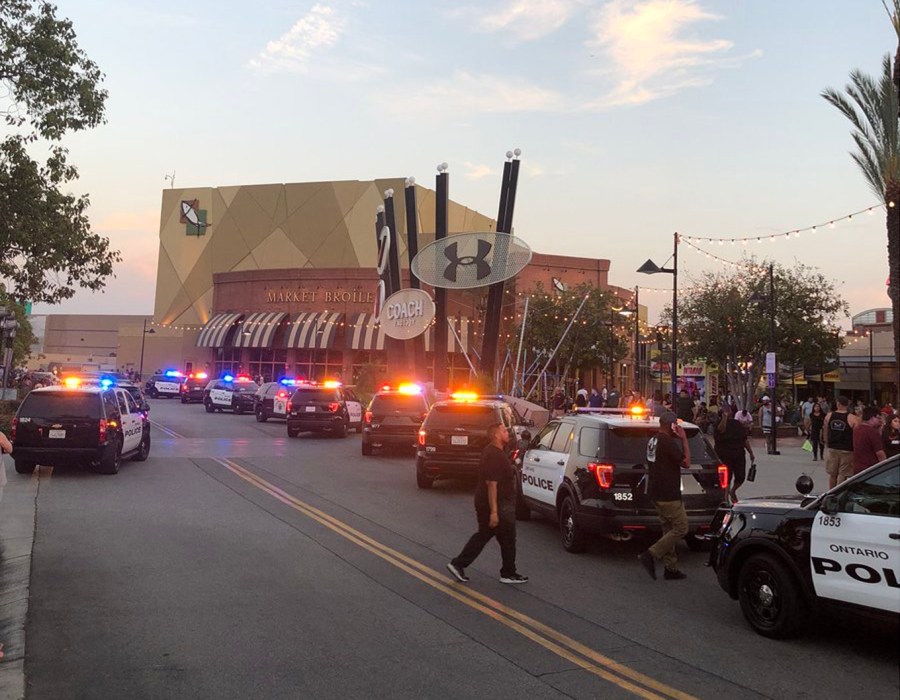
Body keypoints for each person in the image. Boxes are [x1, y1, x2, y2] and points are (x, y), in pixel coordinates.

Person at [447, 423, 528, 585]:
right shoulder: (494, 455)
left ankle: (506, 571)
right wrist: (494, 512)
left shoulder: (495, 452)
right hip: (495, 505)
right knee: (504, 537)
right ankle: (507, 573)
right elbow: (492, 484)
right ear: (496, 435)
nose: (507, 433)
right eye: (504, 431)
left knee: (491, 536)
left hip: (496, 504)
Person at [637, 411, 690, 581]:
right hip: (669, 493)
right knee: (681, 528)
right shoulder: (667, 441)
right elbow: (686, 462)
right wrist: (683, 439)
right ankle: (651, 554)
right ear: (671, 425)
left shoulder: (653, 440)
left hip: (656, 491)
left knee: (668, 529)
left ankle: (671, 568)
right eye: (676, 425)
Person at [715, 404, 755, 504]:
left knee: (741, 476)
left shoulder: (737, 423)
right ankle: (725, 498)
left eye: (728, 410)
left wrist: (750, 452)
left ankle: (733, 491)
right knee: (726, 478)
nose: (728, 412)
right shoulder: (718, 423)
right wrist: (724, 418)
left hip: (739, 454)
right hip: (724, 455)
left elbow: (744, 439)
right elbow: (721, 430)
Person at [824, 395, 859, 489]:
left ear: (838, 403)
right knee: (843, 474)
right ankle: (839, 492)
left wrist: (827, 443)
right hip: (847, 449)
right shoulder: (852, 418)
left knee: (832, 473)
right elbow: (856, 434)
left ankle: (831, 492)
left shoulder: (829, 416)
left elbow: (825, 431)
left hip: (833, 447)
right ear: (847, 405)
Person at [852, 406, 887, 475]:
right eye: (878, 418)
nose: (879, 420)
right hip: (871, 468)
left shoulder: (857, 429)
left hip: (858, 466)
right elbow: (879, 453)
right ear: (872, 417)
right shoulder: (872, 432)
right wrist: (885, 466)